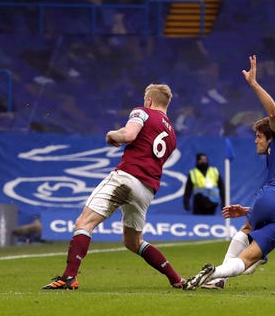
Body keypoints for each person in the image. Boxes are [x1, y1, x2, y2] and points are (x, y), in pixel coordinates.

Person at [42, 83, 185, 290]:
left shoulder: (142, 112)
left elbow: (128, 136)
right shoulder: (172, 136)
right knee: (133, 243)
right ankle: (176, 279)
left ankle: (69, 277)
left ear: (149, 101)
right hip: (147, 189)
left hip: (126, 177)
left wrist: (111, 134)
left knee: (84, 223)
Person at [184, 54, 275, 291]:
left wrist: (254, 84)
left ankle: (219, 277)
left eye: (258, 136)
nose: (255, 141)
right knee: (247, 260)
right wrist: (249, 210)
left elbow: (274, 116)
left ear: (270, 137)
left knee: (246, 231)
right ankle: (218, 274)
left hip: (272, 197)